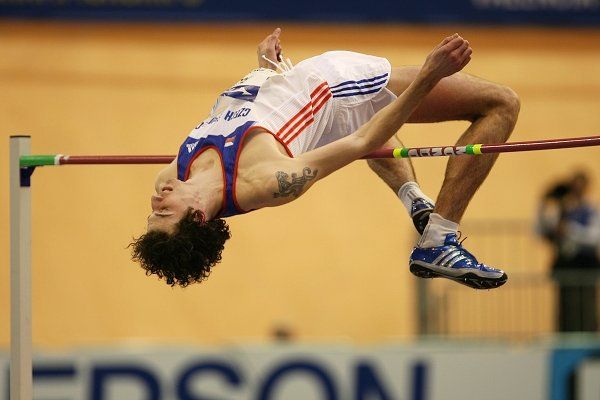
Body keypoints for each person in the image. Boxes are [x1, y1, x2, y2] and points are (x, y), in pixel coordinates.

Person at [130, 28, 520, 289]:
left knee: (357, 120)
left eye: (151, 213)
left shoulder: (172, 174)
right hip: (343, 87)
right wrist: (429, 76)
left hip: (308, 79)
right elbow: (364, 139)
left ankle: (417, 202)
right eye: (163, 214)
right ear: (198, 216)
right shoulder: (266, 182)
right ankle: (439, 238)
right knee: (501, 104)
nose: (155, 201)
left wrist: (268, 69)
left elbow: (249, 112)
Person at [537, 171, 600, 332]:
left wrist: (569, 230)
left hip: (586, 266)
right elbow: (541, 230)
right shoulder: (561, 210)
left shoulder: (591, 210)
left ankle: (588, 343)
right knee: (565, 310)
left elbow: (594, 237)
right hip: (565, 266)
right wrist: (543, 203)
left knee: (586, 307)